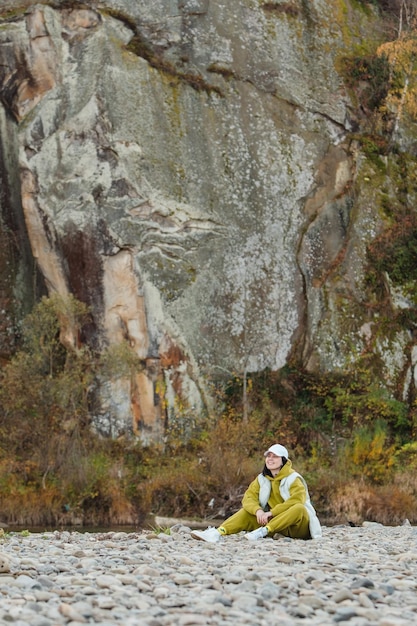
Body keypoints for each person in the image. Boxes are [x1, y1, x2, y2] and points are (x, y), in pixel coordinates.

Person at [191, 443, 322, 543]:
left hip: (297, 528)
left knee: (299, 508)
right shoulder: (261, 479)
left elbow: (297, 500)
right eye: (268, 456)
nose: (270, 459)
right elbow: (248, 498)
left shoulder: (294, 478)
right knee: (247, 511)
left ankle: (263, 531)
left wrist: (271, 513)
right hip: (275, 525)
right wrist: (258, 511)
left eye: (275, 456)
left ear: (284, 461)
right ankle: (218, 533)